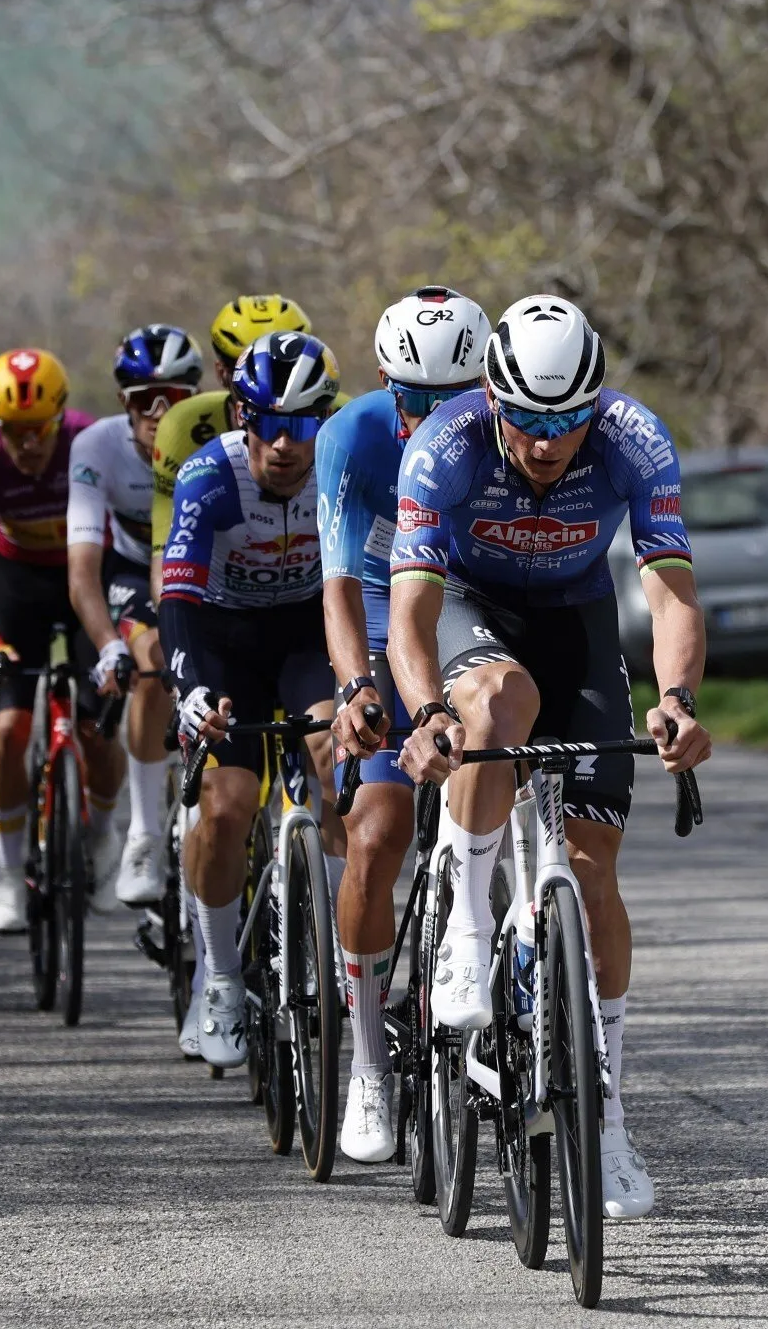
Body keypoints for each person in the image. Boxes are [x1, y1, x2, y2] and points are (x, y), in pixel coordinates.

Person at [388, 295, 712, 1221]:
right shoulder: (444, 446)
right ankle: (462, 931)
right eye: (527, 419)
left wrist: (678, 700)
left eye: (567, 420)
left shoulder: (633, 438)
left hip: (577, 622)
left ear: (594, 405)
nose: (545, 441)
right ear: (493, 399)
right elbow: (410, 613)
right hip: (470, 608)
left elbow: (671, 590)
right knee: (502, 701)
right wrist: (428, 711)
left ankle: (605, 1121)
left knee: (591, 869)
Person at [317, 285, 492, 1163]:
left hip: (476, 608)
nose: (432, 415)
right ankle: (367, 1065)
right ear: (387, 384)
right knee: (378, 829)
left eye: (452, 398)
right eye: (414, 398)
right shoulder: (351, 436)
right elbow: (343, 583)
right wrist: (357, 686)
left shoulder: (509, 427)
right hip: (390, 614)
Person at [158, 330, 346, 1068]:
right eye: (268, 422)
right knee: (228, 806)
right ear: (243, 416)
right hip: (224, 643)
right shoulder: (210, 475)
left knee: (338, 762)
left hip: (306, 639)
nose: (284, 444)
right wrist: (189, 688)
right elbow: (177, 600)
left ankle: (333, 948)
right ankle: (220, 978)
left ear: (322, 422)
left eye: (300, 424)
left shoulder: (340, 466)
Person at [0, 348, 120, 934]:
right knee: (7, 729)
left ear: (61, 418)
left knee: (98, 726)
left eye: (38, 431)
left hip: (87, 576)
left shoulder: (89, 444)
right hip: (18, 585)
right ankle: (7, 872)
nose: (26, 445)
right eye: (12, 431)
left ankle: (103, 837)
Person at [69, 325, 199, 915]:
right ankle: (143, 834)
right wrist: (107, 645)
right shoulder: (97, 447)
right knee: (151, 662)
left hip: (203, 565)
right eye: (143, 399)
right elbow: (83, 571)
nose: (158, 414)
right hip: (128, 569)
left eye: (172, 398)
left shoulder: (215, 434)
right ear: (123, 401)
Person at [147, 295, 315, 585]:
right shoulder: (180, 425)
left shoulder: (343, 415)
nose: (268, 388)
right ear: (221, 373)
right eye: (249, 370)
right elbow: (165, 555)